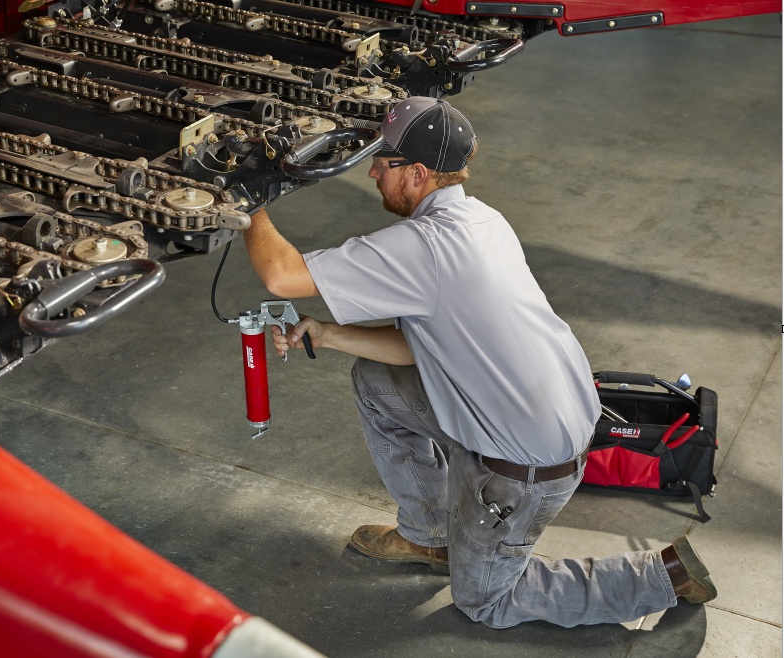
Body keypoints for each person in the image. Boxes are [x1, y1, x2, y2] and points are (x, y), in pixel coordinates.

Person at [240, 97, 717, 628]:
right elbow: (423, 344)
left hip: (523, 468)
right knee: (378, 380)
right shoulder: (481, 219)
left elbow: (281, 276)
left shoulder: (422, 247)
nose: (372, 170)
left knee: (485, 602)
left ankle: (661, 576)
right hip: (535, 417)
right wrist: (327, 334)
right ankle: (429, 538)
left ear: (418, 173)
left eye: (383, 161)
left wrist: (247, 200)